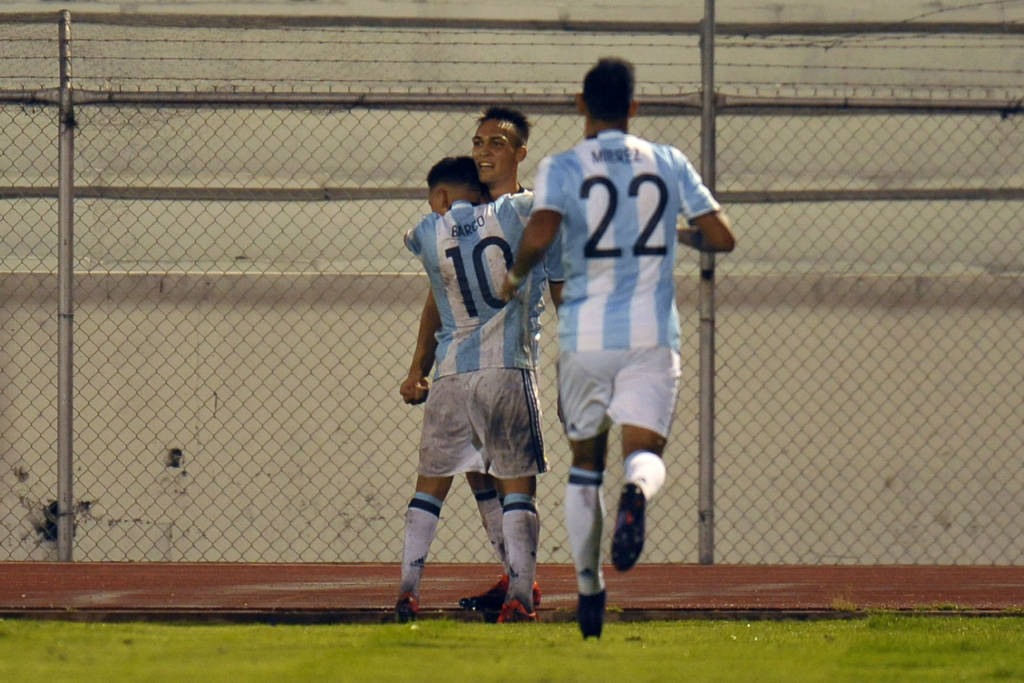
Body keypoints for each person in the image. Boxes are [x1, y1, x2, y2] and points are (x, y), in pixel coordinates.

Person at [499, 57, 736, 639]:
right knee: (645, 452)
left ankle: (588, 590)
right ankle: (636, 491)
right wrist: (667, 234)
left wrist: (516, 272)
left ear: (581, 104)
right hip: (652, 335)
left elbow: (541, 230)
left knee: (584, 467)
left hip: (586, 336)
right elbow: (721, 236)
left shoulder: (563, 166)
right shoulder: (669, 161)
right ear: (634, 107)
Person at [403, 107, 563, 616]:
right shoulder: (501, 216)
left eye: (496, 142)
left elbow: (559, 285)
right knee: (493, 476)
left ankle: (513, 584)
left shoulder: (457, 222)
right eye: (478, 142)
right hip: (492, 371)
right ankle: (519, 584)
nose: (484, 150)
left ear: (520, 154)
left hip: (472, 371)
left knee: (475, 474)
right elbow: (437, 297)